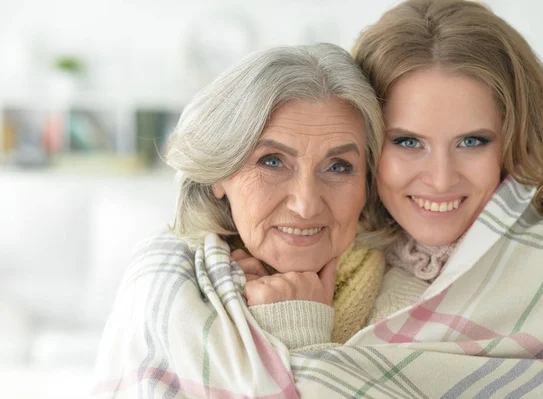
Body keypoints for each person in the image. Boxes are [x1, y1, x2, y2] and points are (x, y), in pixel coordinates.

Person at [236, 0, 543, 397]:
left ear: (516, 141)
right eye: (408, 141)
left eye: (472, 141)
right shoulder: (327, 244)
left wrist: (299, 335)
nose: (441, 179)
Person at [89, 43, 387, 398]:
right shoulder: (161, 283)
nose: (306, 205)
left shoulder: (409, 294)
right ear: (220, 174)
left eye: (338, 167)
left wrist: (299, 330)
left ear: (368, 182)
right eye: (272, 161)